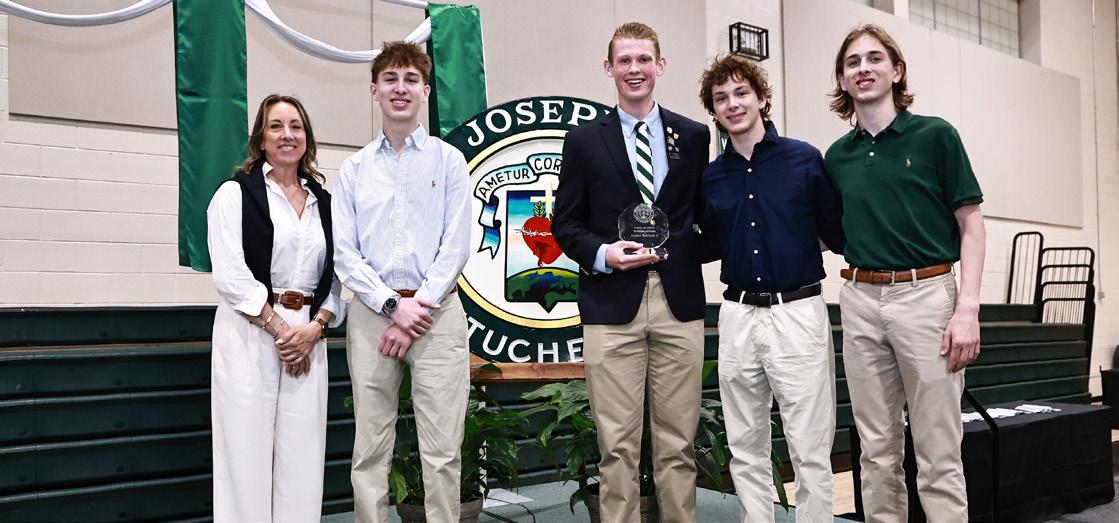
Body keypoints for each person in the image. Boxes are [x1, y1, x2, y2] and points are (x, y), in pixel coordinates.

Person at [825, 24, 985, 522]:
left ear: (896, 71)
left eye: (875, 59)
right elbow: (831, 233)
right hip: (860, 298)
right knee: (875, 451)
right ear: (843, 80)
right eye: (853, 62)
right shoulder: (837, 157)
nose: (864, 68)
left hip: (927, 297)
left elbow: (972, 225)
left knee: (938, 451)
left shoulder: (936, 136)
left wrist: (967, 309)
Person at [552, 22, 711, 523]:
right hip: (611, 304)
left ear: (660, 65)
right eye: (624, 60)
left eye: (644, 59)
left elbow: (705, 217)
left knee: (678, 445)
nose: (634, 69)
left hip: (678, 303)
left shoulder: (694, 136)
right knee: (616, 447)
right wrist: (604, 253)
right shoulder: (583, 141)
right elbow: (565, 224)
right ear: (609, 68)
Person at [698, 54, 844, 522]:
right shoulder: (711, 177)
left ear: (762, 98)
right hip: (737, 315)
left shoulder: (804, 159)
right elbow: (707, 243)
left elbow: (835, 231)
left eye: (741, 92)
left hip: (797, 312)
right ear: (714, 111)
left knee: (809, 445)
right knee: (744, 445)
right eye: (721, 98)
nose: (733, 103)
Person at [332, 41, 471, 523]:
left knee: (443, 452)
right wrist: (393, 306)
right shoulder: (353, 170)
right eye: (390, 79)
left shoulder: (449, 162)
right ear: (374, 90)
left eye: (411, 79)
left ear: (425, 91)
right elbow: (345, 254)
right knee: (370, 450)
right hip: (373, 318)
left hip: (438, 315)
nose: (400, 88)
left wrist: (417, 307)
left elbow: (455, 246)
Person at [208, 94, 344, 522]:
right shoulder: (235, 194)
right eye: (276, 126)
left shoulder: (325, 202)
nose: (287, 135)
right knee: (244, 453)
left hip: (308, 335)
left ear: (307, 137)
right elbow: (230, 274)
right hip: (251, 329)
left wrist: (316, 328)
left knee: (303, 455)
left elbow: (338, 275)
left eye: (296, 126)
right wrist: (282, 331)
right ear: (260, 138)